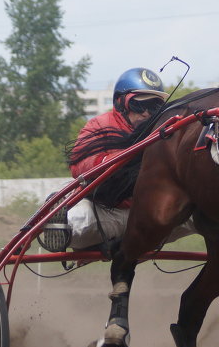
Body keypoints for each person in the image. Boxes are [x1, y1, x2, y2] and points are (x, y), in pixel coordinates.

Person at [39, 67, 174, 252]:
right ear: (120, 103)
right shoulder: (99, 125)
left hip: (146, 212)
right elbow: (79, 165)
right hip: (105, 209)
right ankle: (58, 226)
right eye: (139, 105)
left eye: (154, 107)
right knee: (78, 219)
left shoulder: (163, 131)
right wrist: (117, 162)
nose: (146, 114)